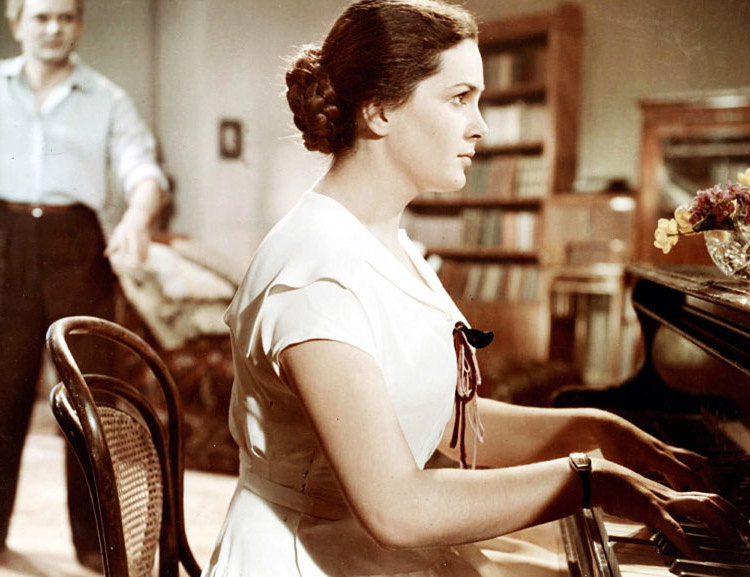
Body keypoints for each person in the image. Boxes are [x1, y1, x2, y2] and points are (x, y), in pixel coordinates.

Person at [203, 1, 749, 575]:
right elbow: (396, 510)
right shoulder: (316, 276)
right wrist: (589, 479)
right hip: (310, 557)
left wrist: (599, 430)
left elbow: (439, 422)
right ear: (380, 111)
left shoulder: (385, 243)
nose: (480, 125)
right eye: (459, 97)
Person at [0, 0, 168, 569]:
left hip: (76, 244)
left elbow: (142, 170)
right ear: (16, 23)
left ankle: (98, 545)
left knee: (88, 397)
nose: (54, 28)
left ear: (80, 24)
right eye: (41, 16)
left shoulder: (108, 98)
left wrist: (137, 217)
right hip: (4, 241)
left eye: (66, 17)